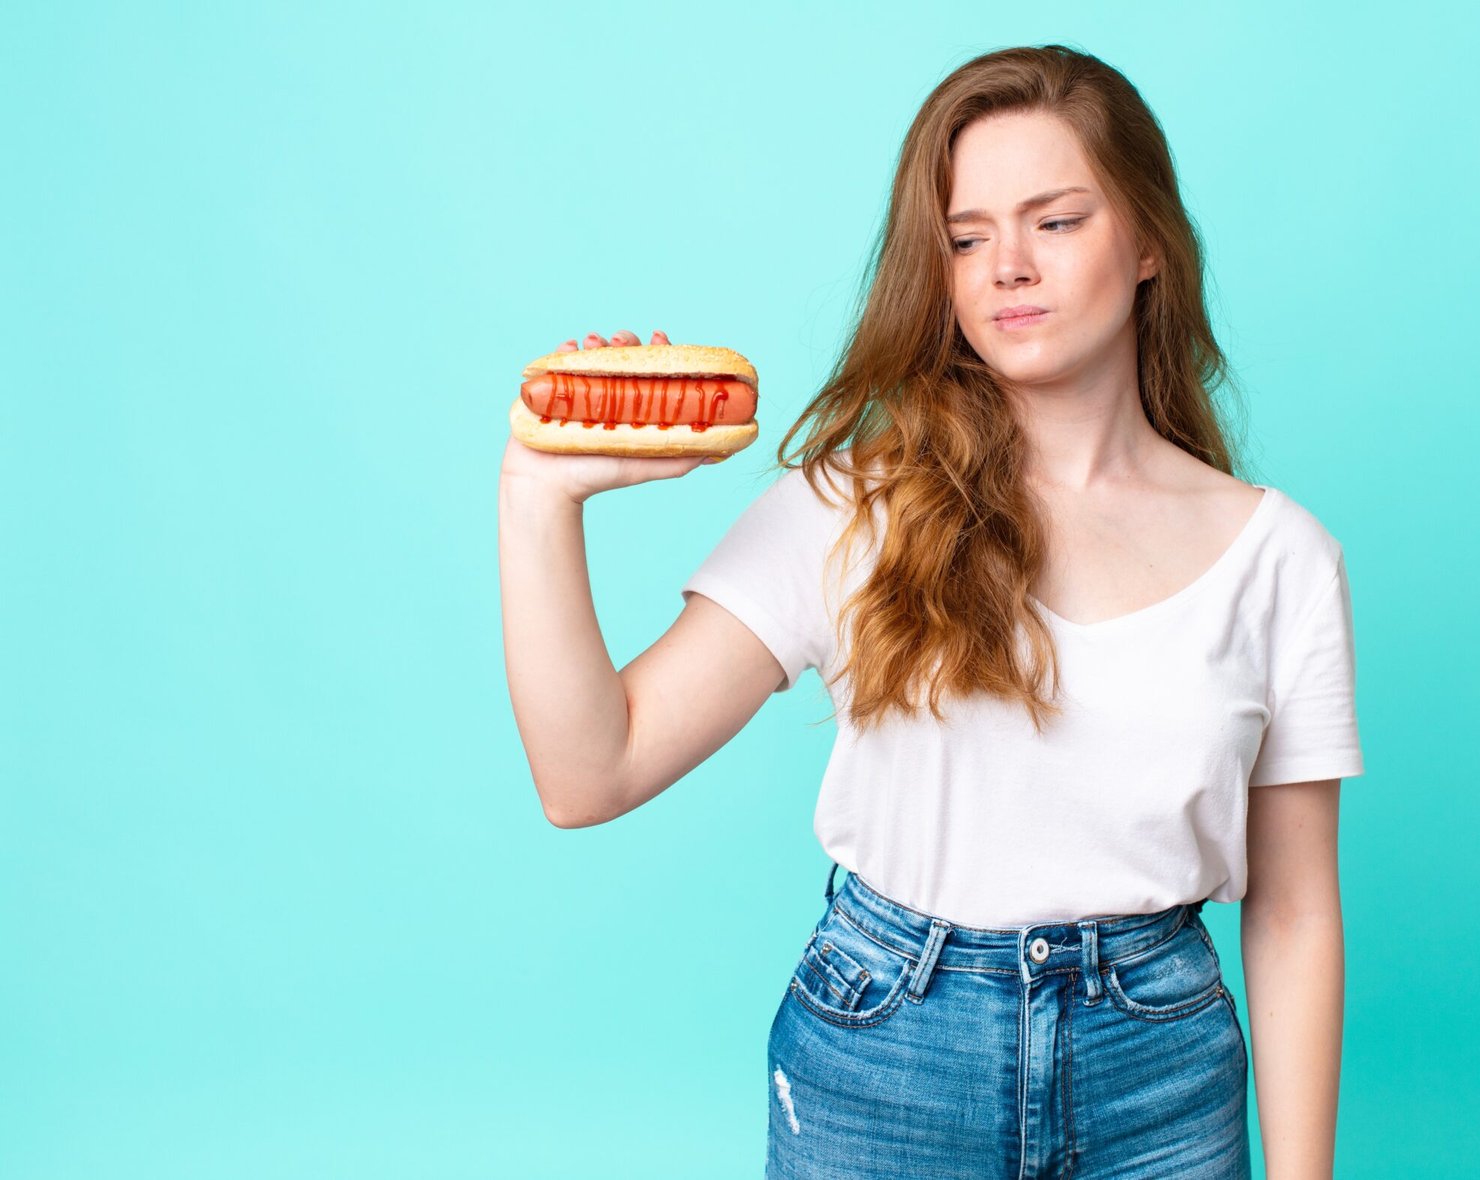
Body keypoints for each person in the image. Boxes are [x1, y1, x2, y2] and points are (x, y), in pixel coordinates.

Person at [499, 43, 1364, 1180]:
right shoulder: (848, 511)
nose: (1008, 265)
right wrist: (537, 491)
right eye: (966, 238)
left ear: (1148, 243)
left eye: (1055, 221)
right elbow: (588, 773)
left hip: (1157, 1063)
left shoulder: (1281, 557)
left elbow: (1295, 916)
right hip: (889, 1047)